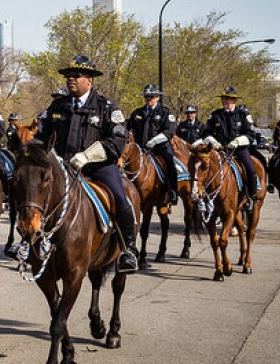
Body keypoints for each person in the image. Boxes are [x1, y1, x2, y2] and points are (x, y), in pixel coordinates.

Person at [38, 55, 138, 273]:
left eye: (76, 76)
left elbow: (117, 141)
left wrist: (86, 156)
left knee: (121, 198)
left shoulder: (107, 107)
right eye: (68, 76)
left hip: (97, 167)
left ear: (89, 81)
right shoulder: (57, 105)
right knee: (32, 194)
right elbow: (41, 136)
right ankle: (30, 243)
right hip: (63, 168)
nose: (70, 79)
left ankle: (128, 249)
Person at [199, 86, 259, 211]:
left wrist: (237, 142)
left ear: (234, 101)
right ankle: (203, 198)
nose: (225, 101)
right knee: (202, 170)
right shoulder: (215, 115)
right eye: (223, 99)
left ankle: (250, 197)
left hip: (238, 150)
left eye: (228, 99)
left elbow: (251, 135)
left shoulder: (243, 115)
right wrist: (213, 141)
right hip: (219, 150)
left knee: (251, 170)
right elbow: (205, 133)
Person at [127, 84, 178, 204]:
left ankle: (172, 192)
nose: (149, 99)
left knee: (170, 164)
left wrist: (155, 141)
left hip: (160, 148)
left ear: (157, 98)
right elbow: (127, 127)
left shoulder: (165, 112)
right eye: (147, 97)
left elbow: (170, 131)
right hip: (141, 149)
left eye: (152, 97)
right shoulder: (137, 113)